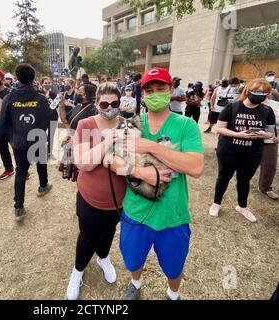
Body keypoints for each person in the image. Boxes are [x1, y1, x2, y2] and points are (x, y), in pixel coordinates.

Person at [106, 67, 204, 301]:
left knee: (173, 266)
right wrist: (140, 172)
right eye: (149, 90)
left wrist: (150, 146)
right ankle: (135, 283)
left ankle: (173, 293)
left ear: (171, 90)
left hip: (173, 215)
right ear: (143, 94)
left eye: (160, 88)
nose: (154, 94)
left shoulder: (186, 125)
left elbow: (196, 168)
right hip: (136, 212)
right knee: (132, 258)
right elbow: (110, 159)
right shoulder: (131, 124)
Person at [66, 83, 126, 300]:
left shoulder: (126, 123)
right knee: (88, 236)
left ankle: (103, 257)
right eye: (104, 103)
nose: (109, 107)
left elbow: (130, 160)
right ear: (97, 103)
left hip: (118, 198)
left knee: (109, 230)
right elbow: (83, 163)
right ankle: (78, 270)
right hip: (90, 197)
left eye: (114, 103)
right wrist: (107, 142)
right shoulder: (85, 124)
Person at [209, 79, 276, 222]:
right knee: (223, 177)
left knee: (244, 180)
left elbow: (271, 133)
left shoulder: (266, 110)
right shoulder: (233, 107)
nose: (260, 94)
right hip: (229, 150)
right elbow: (219, 128)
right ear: (248, 90)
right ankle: (216, 203)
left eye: (264, 92)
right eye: (257, 91)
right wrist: (237, 134)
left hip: (252, 153)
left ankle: (242, 206)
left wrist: (264, 134)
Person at [0, 64, 53, 221]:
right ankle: (43, 186)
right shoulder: (41, 98)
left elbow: (3, 121)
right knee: (40, 163)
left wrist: (16, 133)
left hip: (19, 141)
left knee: (21, 171)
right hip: (37, 137)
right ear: (34, 79)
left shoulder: (9, 98)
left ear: (16, 78)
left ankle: (19, 207)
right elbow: (48, 118)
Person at [259, 74, 279, 200]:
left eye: (264, 90)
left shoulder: (276, 105)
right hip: (247, 139)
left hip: (270, 140)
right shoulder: (244, 104)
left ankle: (266, 187)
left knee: (270, 165)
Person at [41, 77, 58, 160]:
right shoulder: (38, 93)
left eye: (49, 83)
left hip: (53, 117)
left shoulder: (54, 94)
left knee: (51, 136)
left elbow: (55, 106)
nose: (47, 84)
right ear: (42, 84)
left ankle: (50, 153)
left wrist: (49, 99)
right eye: (46, 83)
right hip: (41, 118)